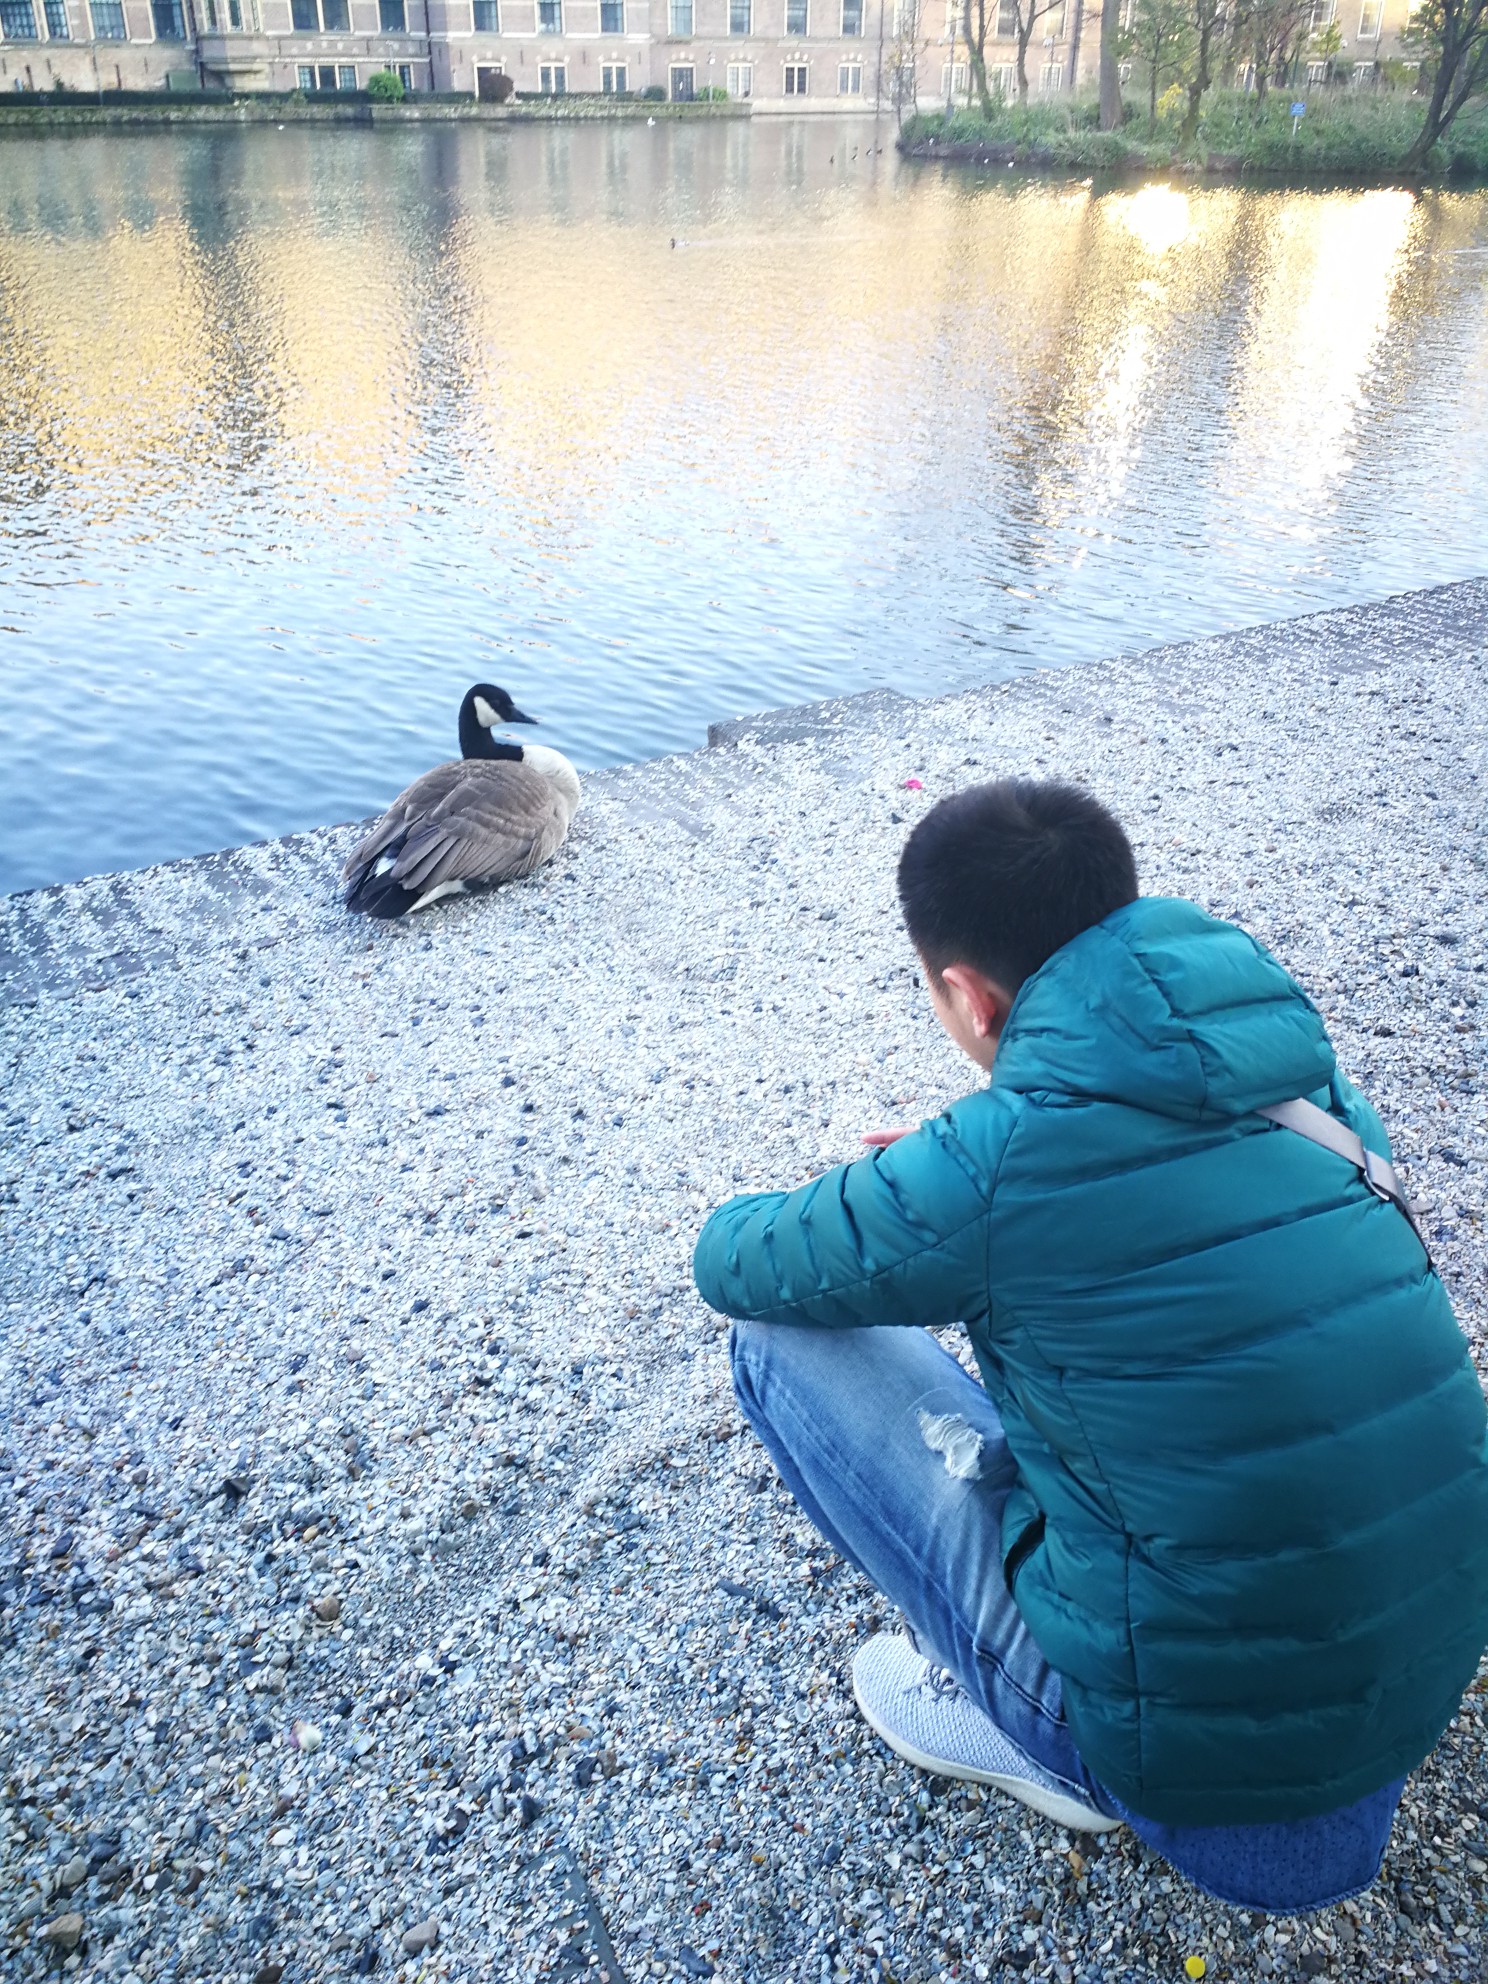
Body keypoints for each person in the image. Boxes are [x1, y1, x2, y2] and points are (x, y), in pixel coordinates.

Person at [692, 778, 1488, 1913]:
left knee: (778, 1342)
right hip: (1411, 1696)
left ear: (967, 995)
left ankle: (1023, 1732)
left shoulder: (998, 1162)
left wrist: (918, 1184)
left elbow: (736, 1257)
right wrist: (965, 1166)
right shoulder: (1306, 1082)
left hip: (1195, 1785)